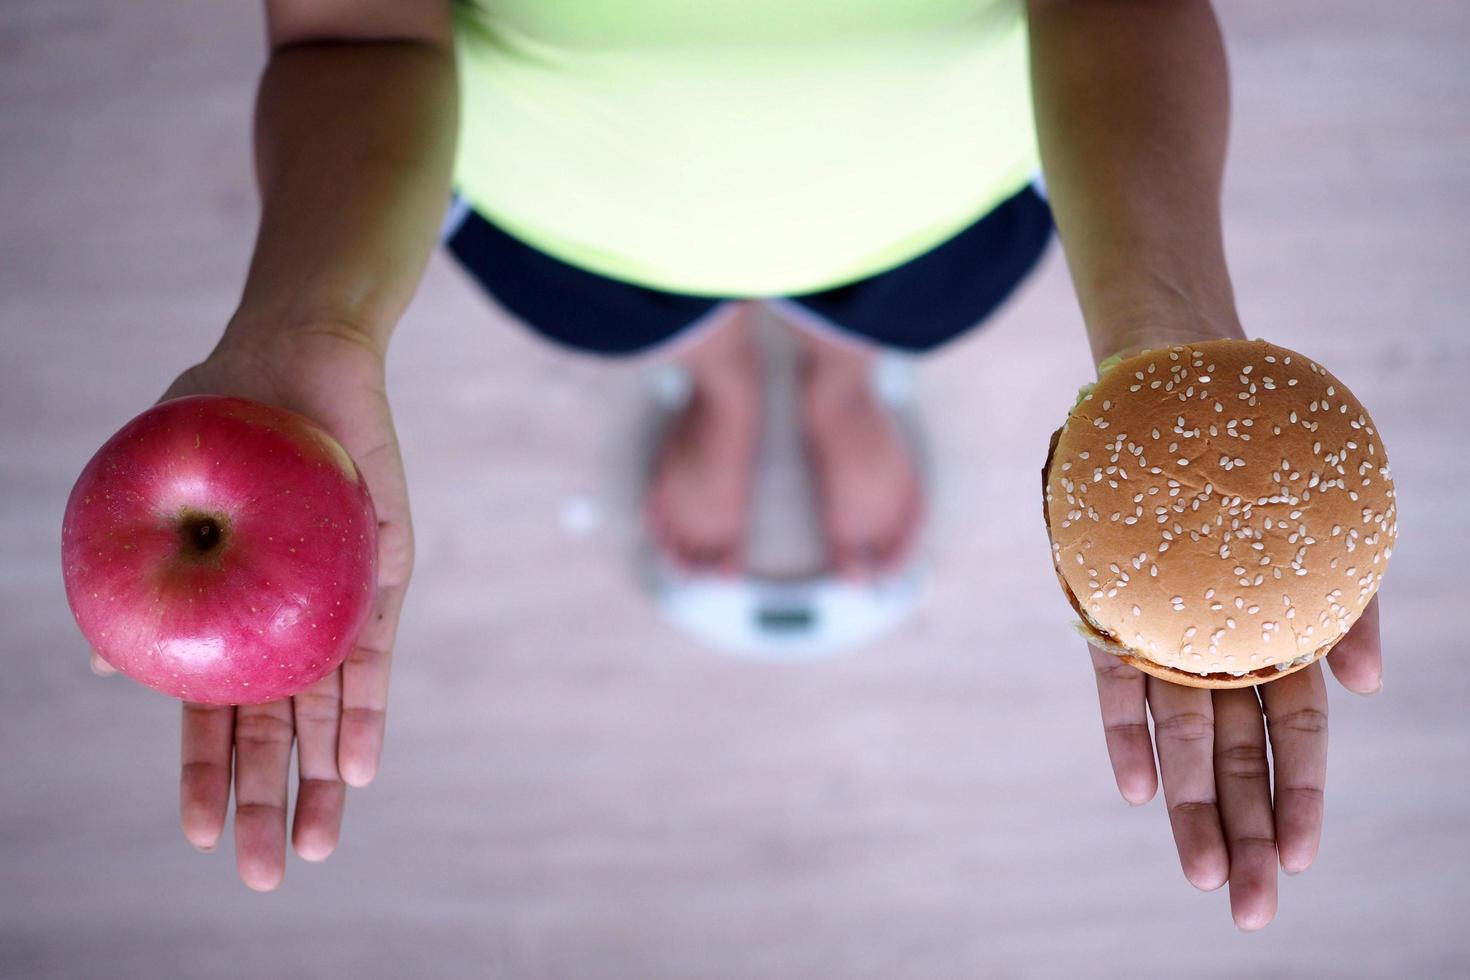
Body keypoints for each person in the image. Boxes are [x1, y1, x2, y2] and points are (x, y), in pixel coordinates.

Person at [89, 0, 1384, 929]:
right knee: (621, 315)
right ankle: (728, 373)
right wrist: (306, 330)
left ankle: (830, 376)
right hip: (561, 204)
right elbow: (354, 31)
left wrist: (1171, 352)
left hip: (948, 183)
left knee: (911, 307)